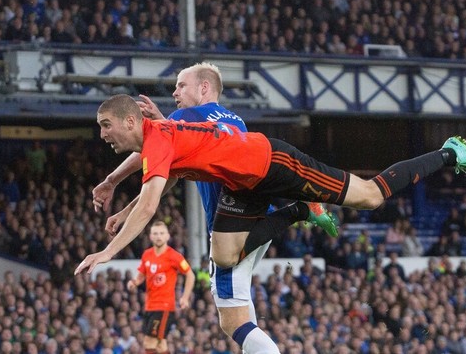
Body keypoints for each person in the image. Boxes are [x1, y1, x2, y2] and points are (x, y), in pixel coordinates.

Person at [76, 93, 466, 275]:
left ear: (130, 120)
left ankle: (450, 152)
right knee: (223, 258)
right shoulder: (158, 138)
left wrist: (108, 252)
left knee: (368, 197)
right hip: (244, 184)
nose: (102, 134)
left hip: (274, 163)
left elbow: (151, 203)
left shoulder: (159, 136)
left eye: (105, 125)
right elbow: (164, 182)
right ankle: (300, 209)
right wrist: (121, 202)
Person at [91, 63, 335, 353]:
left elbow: (154, 148)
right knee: (240, 308)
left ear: (204, 88)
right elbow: (171, 169)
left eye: (182, 85)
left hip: (230, 227)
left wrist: (112, 180)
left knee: (232, 319)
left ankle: (301, 210)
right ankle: (299, 210)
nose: (175, 91)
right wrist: (125, 209)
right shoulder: (235, 119)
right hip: (258, 218)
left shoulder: (187, 116)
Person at [127, 221, 193, 354]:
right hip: (149, 305)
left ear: (167, 236)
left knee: (149, 341)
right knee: (160, 345)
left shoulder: (174, 256)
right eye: (155, 233)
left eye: (162, 233)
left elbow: (190, 275)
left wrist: (185, 298)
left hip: (164, 306)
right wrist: (134, 282)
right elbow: (141, 275)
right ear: (150, 236)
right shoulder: (147, 254)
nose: (158, 236)